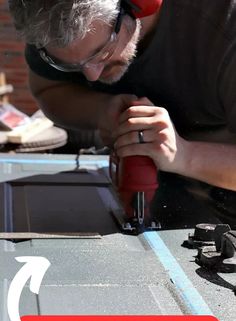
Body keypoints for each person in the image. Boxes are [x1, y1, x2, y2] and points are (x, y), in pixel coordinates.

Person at [8, 0, 236, 226]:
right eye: (71, 65)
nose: (92, 76)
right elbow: (48, 89)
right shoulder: (47, 19)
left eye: (103, 52)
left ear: (140, 5)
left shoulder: (224, 28)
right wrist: (100, 110)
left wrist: (185, 155)